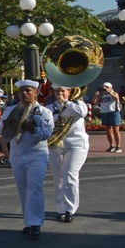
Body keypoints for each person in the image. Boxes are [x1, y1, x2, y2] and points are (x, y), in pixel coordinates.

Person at [0, 80, 54, 238]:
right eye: (21, 91)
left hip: (37, 154)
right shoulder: (10, 110)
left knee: (35, 187)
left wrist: (32, 128)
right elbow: (0, 130)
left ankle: (36, 223)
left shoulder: (43, 112)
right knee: (23, 189)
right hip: (18, 153)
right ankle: (28, 222)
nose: (24, 93)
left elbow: (46, 133)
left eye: (28, 90)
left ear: (35, 92)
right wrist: (9, 124)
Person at [47, 86, 89, 223]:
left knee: (70, 175)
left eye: (63, 91)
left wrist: (66, 102)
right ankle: (60, 209)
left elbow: (81, 113)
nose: (59, 93)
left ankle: (70, 209)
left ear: (69, 92)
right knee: (58, 178)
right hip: (56, 144)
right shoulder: (49, 107)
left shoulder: (78, 104)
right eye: (57, 91)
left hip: (76, 144)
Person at [91, 82, 121, 152]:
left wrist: (109, 92)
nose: (105, 89)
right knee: (108, 130)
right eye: (103, 88)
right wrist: (96, 96)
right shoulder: (103, 96)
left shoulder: (114, 93)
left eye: (106, 87)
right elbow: (94, 102)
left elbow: (116, 98)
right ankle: (111, 146)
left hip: (113, 113)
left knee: (116, 130)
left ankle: (118, 146)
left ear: (110, 88)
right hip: (105, 113)